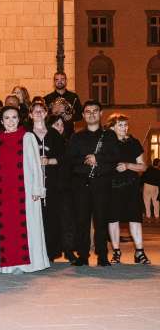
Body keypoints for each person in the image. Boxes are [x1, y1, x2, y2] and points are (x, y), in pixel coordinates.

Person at [0, 106, 50, 274]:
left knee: (25, 228)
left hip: (24, 191)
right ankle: (8, 264)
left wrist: (37, 188)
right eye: (7, 118)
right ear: (2, 121)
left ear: (19, 119)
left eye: (14, 117)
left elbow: (35, 165)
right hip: (3, 192)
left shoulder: (27, 137)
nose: (11, 121)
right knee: (6, 228)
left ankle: (24, 264)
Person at [66, 100, 119, 266]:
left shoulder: (109, 135)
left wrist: (98, 158)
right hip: (81, 184)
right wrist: (86, 159)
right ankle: (83, 255)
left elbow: (115, 156)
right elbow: (70, 159)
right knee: (81, 221)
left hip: (102, 183)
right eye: (88, 111)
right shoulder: (76, 136)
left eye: (95, 111)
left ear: (101, 113)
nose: (91, 114)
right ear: (83, 115)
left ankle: (102, 256)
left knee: (101, 221)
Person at [106, 113, 150, 265]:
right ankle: (116, 252)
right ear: (112, 127)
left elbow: (143, 166)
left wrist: (128, 165)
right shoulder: (107, 144)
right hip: (112, 187)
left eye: (126, 125)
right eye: (120, 125)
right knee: (113, 219)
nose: (124, 128)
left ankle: (139, 252)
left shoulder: (134, 142)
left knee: (135, 219)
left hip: (131, 186)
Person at [29, 101, 70, 262]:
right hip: (32, 182)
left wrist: (49, 161)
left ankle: (50, 252)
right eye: (35, 111)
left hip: (52, 182)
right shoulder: (26, 134)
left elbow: (64, 158)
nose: (39, 113)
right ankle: (34, 253)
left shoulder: (54, 134)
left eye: (42, 110)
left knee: (51, 217)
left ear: (46, 113)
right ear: (30, 115)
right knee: (34, 218)